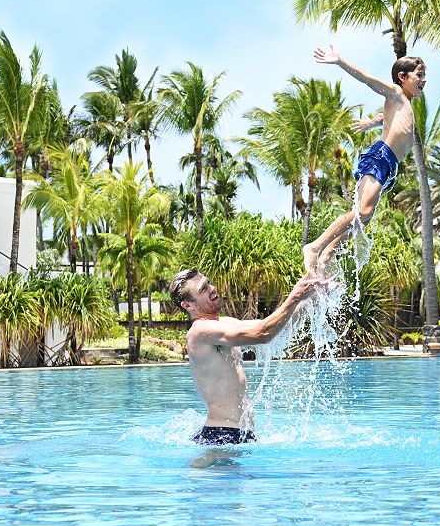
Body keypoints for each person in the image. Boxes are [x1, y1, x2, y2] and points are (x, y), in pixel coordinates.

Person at [302, 44, 426, 275]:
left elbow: (388, 118)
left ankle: (327, 255)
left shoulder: (405, 102)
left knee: (363, 219)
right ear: (402, 77)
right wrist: (340, 61)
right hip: (380, 157)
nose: (423, 80)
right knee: (363, 212)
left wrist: (372, 123)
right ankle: (315, 247)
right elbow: (367, 79)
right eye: (419, 75)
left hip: (389, 166)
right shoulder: (396, 92)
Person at [168, 268, 321, 445]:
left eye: (208, 282)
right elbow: (262, 334)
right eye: (203, 289)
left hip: (239, 433)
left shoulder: (224, 323)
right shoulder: (200, 331)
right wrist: (295, 296)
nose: (212, 288)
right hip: (220, 435)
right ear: (188, 305)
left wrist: (310, 298)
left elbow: (277, 328)